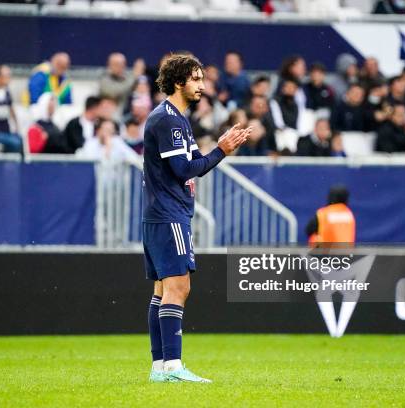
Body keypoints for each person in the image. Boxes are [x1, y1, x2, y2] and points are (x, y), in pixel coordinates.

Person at [143, 54, 249, 383]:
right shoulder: (169, 120)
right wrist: (220, 151)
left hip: (164, 213)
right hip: (168, 214)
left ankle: (160, 368)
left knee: (163, 289)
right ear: (179, 82)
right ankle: (172, 366)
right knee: (178, 287)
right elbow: (184, 169)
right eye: (196, 79)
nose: (202, 85)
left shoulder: (173, 118)